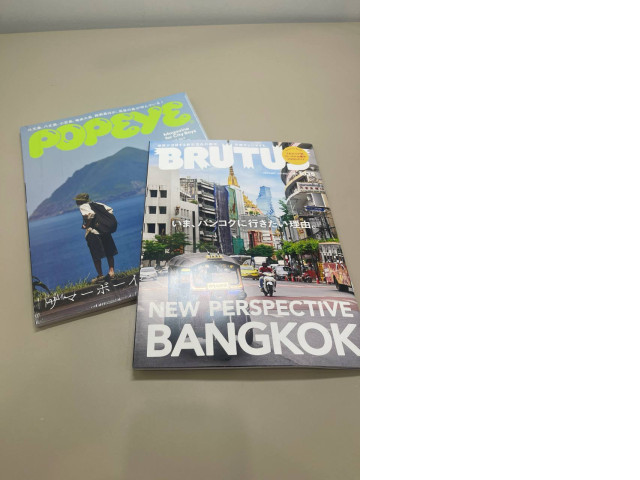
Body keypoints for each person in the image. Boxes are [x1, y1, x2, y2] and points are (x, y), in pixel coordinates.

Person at [74, 193, 118, 283]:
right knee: (109, 252)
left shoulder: (83, 206)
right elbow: (110, 210)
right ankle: (111, 272)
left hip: (94, 233)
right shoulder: (97, 204)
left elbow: (90, 214)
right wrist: (103, 222)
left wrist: (87, 225)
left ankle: (100, 275)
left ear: (80, 201)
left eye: (77, 200)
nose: (76, 202)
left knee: (96, 255)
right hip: (105, 231)